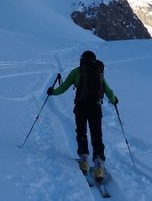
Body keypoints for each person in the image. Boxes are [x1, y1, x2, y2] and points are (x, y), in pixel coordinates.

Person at [47, 50, 118, 182]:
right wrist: (114, 100)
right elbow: (107, 90)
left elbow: (64, 87)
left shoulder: (76, 72)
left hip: (81, 106)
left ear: (82, 60)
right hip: (95, 107)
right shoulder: (98, 72)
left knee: (81, 131)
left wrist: (53, 92)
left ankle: (84, 159)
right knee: (96, 133)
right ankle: (98, 164)